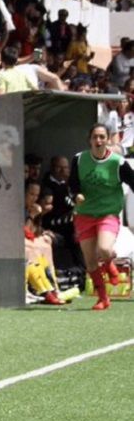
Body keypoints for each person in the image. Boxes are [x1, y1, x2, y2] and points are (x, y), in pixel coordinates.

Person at [69, 124, 134, 311]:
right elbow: (72, 184)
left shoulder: (117, 162)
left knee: (104, 248)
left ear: (107, 139)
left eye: (102, 137)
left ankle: (109, 263)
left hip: (108, 213)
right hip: (85, 214)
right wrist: (76, 195)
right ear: (90, 140)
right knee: (90, 261)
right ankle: (103, 298)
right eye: (95, 137)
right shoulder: (79, 159)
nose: (98, 141)